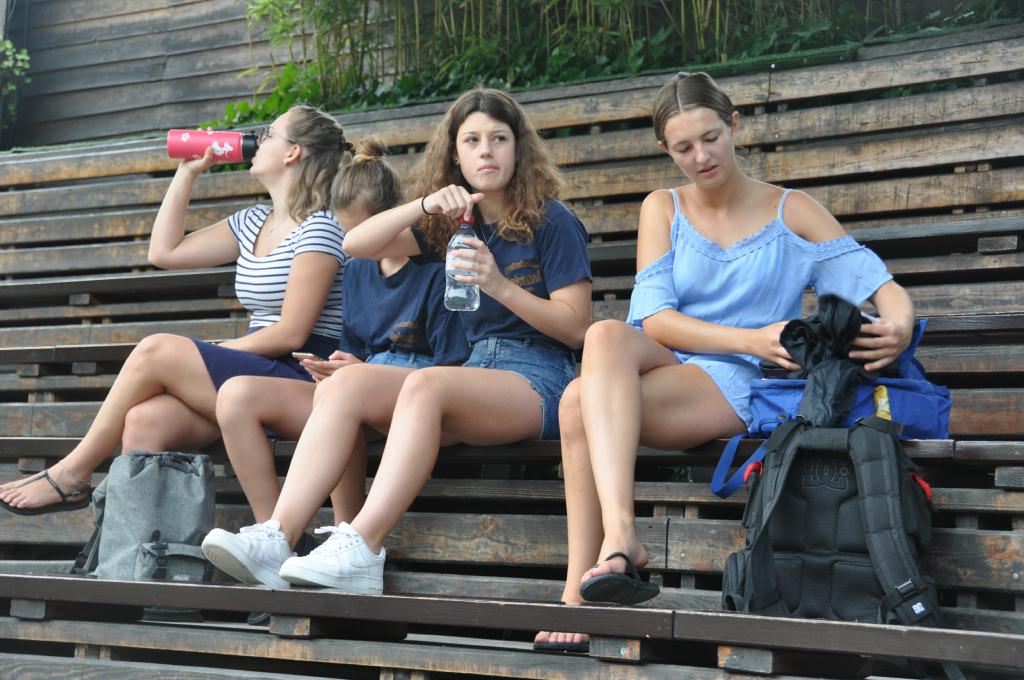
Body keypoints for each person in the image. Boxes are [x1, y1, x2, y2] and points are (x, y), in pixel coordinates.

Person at [534, 72, 914, 652]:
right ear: (665, 149)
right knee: (606, 333)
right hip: (679, 355)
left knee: (575, 401)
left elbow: (882, 287)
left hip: (740, 380)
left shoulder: (792, 211)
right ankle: (620, 537)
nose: (701, 157)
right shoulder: (663, 207)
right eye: (683, 147)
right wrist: (749, 337)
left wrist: (900, 326)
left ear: (734, 125)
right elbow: (655, 321)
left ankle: (576, 594)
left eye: (710, 138)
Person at [200, 87, 592, 595]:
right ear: (455, 155)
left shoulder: (551, 220)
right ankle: (279, 535)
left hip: (540, 377)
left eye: (499, 139)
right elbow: (356, 243)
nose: (486, 151)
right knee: (345, 385)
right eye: (471, 140)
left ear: (519, 149)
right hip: (476, 373)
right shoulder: (453, 224)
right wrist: (425, 204)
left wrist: (498, 286)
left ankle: (362, 546)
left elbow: (576, 328)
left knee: (426, 385)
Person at [0, 104, 352, 516]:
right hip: (255, 368)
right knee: (146, 421)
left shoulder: (320, 226)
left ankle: (71, 474)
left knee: (156, 350)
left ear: (293, 152)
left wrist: (219, 350)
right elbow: (164, 252)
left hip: (301, 373)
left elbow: (292, 332)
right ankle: (135, 543)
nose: (257, 140)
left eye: (269, 133)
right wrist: (187, 174)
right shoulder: (254, 221)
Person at [207, 140, 469, 587]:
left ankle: (337, 537)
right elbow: (354, 345)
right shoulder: (356, 269)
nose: (351, 247)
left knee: (346, 391)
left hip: (416, 392)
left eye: (358, 234)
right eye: (344, 235)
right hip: (358, 387)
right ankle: (276, 538)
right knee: (236, 395)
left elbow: (452, 366)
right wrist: (344, 364)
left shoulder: (434, 270)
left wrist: (365, 373)